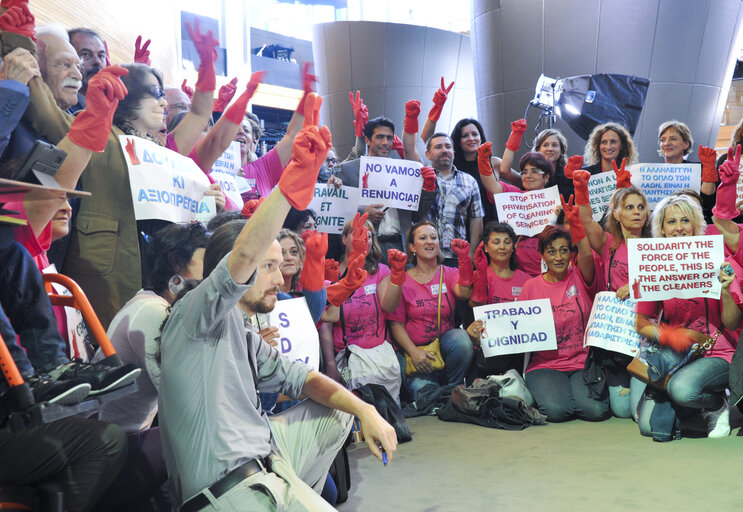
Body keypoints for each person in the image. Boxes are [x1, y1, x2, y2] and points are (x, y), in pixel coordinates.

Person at [158, 93, 396, 511]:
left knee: (339, 409)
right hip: (225, 492)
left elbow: (303, 378)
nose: (280, 275)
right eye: (267, 267)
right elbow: (244, 255)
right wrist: (290, 187)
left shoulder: (242, 329)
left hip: (267, 465)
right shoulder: (194, 313)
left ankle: (299, 493)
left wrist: (367, 411)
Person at [635, 192, 742, 438]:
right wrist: (675, 335)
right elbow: (641, 324)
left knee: (682, 390)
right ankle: (694, 408)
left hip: (719, 352)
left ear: (696, 224)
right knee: (647, 427)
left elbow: (733, 322)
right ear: (661, 228)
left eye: (685, 221)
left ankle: (718, 405)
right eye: (671, 222)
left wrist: (726, 290)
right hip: (676, 353)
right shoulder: (653, 264)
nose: (679, 228)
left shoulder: (716, 258)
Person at [517, 208, 610, 422]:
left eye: (564, 250)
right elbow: (517, 326)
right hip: (545, 366)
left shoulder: (581, 276)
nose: (558, 257)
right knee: (558, 412)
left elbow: (587, 253)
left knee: (595, 411)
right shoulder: (531, 286)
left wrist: (577, 224)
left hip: (581, 363)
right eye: (551, 251)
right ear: (542, 255)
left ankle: (571, 393)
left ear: (571, 253)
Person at [575, 168, 649, 419]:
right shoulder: (609, 243)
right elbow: (585, 219)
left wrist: (638, 286)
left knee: (634, 411)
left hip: (644, 336)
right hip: (616, 337)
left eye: (641, 207)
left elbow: (668, 283)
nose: (637, 212)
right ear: (616, 213)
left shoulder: (656, 245)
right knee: (620, 411)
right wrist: (581, 189)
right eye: (629, 207)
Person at [320, 214, 405, 402]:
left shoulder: (381, 271)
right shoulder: (331, 271)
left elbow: (389, 306)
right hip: (347, 356)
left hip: (381, 356)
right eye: (357, 233)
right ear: (343, 239)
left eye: (368, 235)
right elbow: (325, 322)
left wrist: (398, 277)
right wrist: (331, 364)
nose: (364, 239)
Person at [389, 221, 474, 399]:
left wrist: (464, 259)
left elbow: (464, 293)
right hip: (415, 355)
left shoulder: (448, 272)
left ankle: (454, 387)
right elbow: (396, 324)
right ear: (412, 247)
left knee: (461, 338)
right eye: (423, 238)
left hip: (443, 348)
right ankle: (443, 392)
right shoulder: (401, 279)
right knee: (426, 397)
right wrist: (413, 352)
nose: (429, 242)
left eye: (433, 238)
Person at [467, 222, 531, 376]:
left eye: (507, 242)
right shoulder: (478, 277)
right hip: (487, 351)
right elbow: (472, 310)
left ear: (513, 246)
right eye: (496, 242)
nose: (502, 247)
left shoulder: (528, 281)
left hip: (519, 351)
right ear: (486, 248)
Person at [479, 149, 555, 276]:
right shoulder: (515, 195)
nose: (528, 175)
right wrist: (483, 161)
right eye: (524, 172)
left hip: (547, 273)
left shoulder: (555, 201)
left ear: (546, 177)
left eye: (534, 171)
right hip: (516, 272)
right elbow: (492, 186)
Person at [419, 132, 484, 263]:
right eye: (438, 147)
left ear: (453, 151)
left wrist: (470, 254)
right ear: (428, 154)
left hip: (457, 255)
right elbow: (414, 215)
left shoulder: (469, 181)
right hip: (425, 255)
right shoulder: (420, 178)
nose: (444, 150)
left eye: (448, 147)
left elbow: (476, 218)